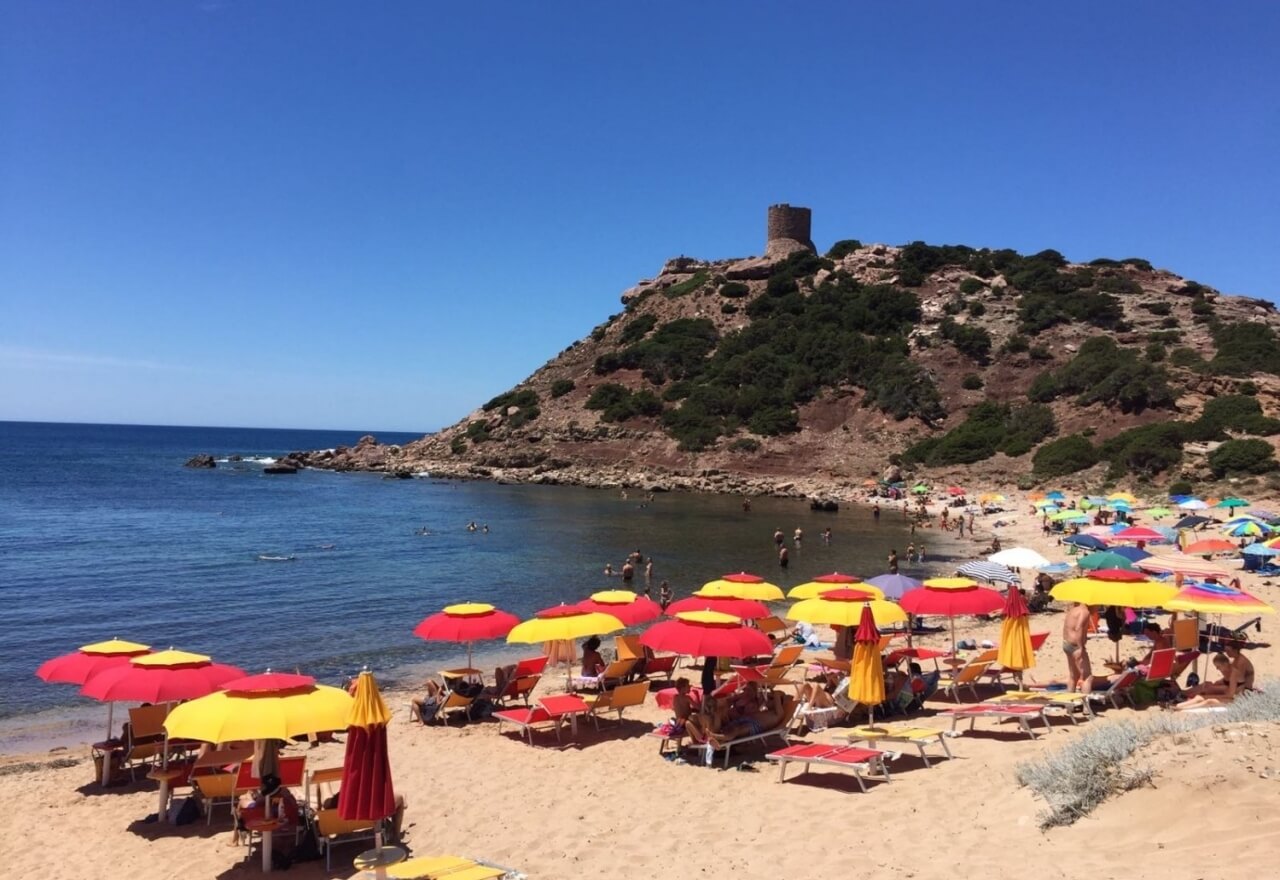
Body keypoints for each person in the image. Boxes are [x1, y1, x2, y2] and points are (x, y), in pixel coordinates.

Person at [1063, 602, 1094, 694]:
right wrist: (1080, 647)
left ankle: (1069, 704)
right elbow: (1078, 627)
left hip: (1066, 643)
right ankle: (1086, 706)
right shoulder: (1084, 612)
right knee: (1087, 677)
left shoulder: (1072, 610)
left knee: (1073, 676)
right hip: (1075, 645)